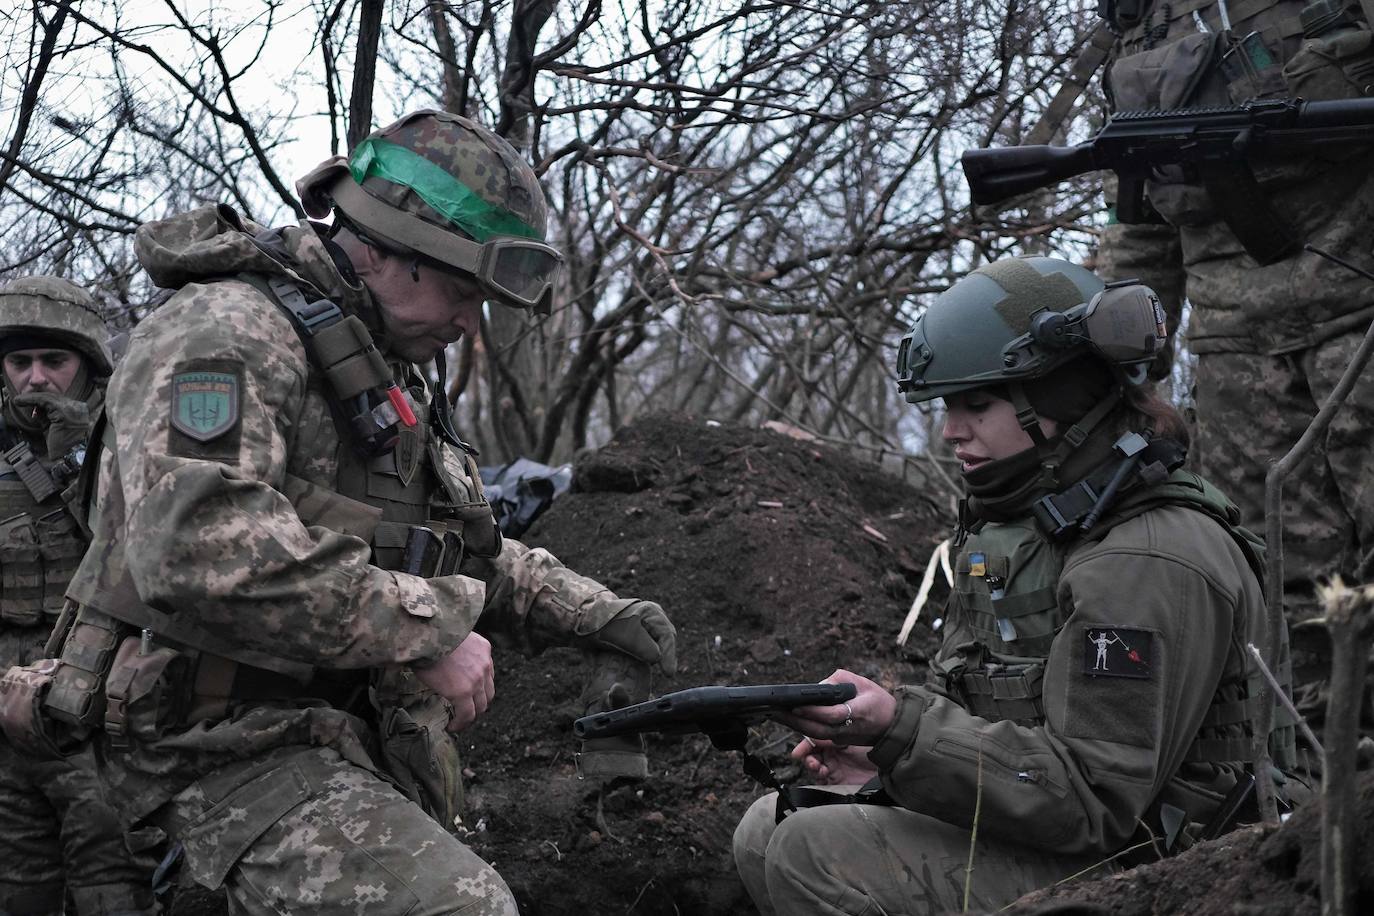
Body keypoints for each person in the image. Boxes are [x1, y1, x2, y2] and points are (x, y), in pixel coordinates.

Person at [34, 111, 676, 915]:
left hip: (322, 727)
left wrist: (591, 612)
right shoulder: (226, 333)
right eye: (460, 290)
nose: (467, 324)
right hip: (205, 740)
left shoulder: (373, 365)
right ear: (377, 246)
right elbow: (198, 552)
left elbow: (442, 544)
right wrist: (432, 633)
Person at [732, 256, 1305, 915]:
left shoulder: (1147, 559)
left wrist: (902, 732)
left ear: (1062, 401)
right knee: (766, 827)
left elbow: (1095, 800)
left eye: (978, 403)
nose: (951, 431)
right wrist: (883, 757)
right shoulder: (1027, 533)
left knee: (816, 851)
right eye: (948, 406)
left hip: (1178, 870)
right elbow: (996, 727)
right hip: (1071, 832)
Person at [1094, 0, 1374, 595]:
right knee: (1277, 588)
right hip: (1238, 367)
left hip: (1363, 322)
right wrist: (1121, 375)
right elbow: (1138, 220)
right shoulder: (1140, 25)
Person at [0, 276, 156, 915]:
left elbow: (153, 556)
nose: (36, 378)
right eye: (19, 361)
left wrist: (83, 458)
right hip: (7, 713)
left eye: (54, 361)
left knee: (113, 885)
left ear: (88, 367)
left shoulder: (137, 438)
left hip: (98, 711)